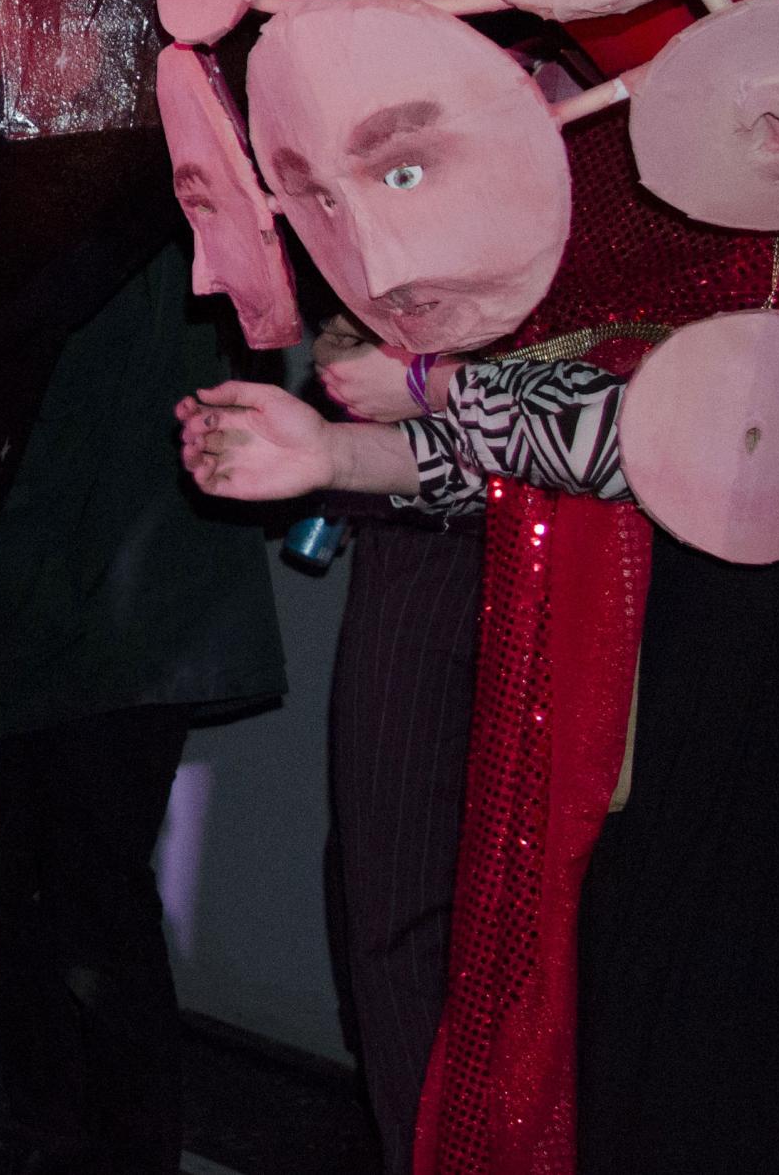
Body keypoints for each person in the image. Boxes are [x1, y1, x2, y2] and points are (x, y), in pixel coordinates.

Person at [177, 359, 779, 1174]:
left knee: (749, 1091)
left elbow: (708, 437)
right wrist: (342, 453)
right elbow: (566, 457)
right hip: (656, 733)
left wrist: (433, 386)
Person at [0, 239, 285, 1175]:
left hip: (118, 584)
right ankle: (64, 1137)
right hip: (73, 584)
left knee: (79, 901)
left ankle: (107, 1146)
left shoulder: (152, 167)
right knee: (36, 901)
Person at [307, 316, 482, 1175]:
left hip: (561, 537)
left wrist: (423, 380)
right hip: (421, 529)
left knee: (410, 911)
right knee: (384, 896)